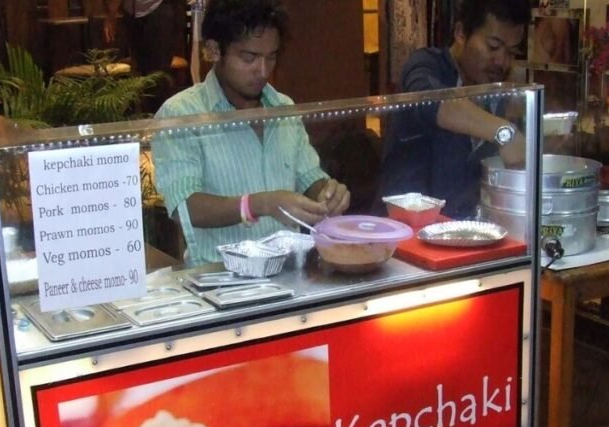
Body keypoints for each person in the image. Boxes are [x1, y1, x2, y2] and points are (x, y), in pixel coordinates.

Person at [153, 0, 351, 267]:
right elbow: (185, 207)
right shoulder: (181, 113)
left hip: (289, 272)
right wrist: (261, 203)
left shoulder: (283, 108)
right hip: (219, 277)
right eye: (249, 57)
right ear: (214, 50)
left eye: (271, 57)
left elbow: (309, 178)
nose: (263, 70)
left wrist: (328, 193)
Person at [377, 0, 530, 219]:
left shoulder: (498, 92)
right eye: (493, 47)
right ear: (460, 33)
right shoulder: (425, 65)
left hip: (465, 230)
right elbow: (432, 102)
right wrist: (504, 133)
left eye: (511, 52)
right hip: (404, 229)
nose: (501, 61)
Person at [102, 0, 186, 111]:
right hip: (132, 15)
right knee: (141, 75)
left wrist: (111, 15)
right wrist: (111, 14)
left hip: (157, 11)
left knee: (157, 75)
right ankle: (146, 118)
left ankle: (160, 119)